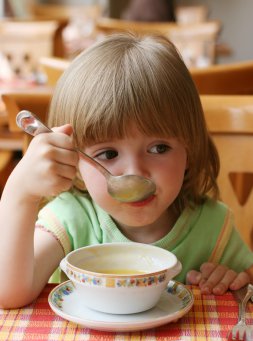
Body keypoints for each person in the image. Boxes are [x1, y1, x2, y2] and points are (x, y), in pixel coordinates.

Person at [0, 33, 252, 309]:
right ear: (76, 163)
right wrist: (20, 193)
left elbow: (247, 285)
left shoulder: (213, 227)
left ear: (189, 150)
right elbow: (9, 293)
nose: (136, 172)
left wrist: (233, 279)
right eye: (108, 154)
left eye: (158, 148)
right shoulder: (72, 220)